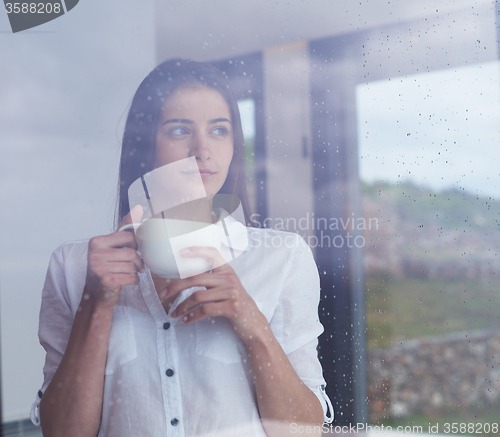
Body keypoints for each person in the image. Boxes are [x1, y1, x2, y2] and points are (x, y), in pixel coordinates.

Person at [31, 59, 333, 437]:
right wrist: (96, 303)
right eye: (179, 130)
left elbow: (304, 432)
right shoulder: (73, 267)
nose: (202, 150)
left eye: (219, 131)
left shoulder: (283, 258)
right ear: (145, 146)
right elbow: (61, 433)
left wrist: (254, 325)